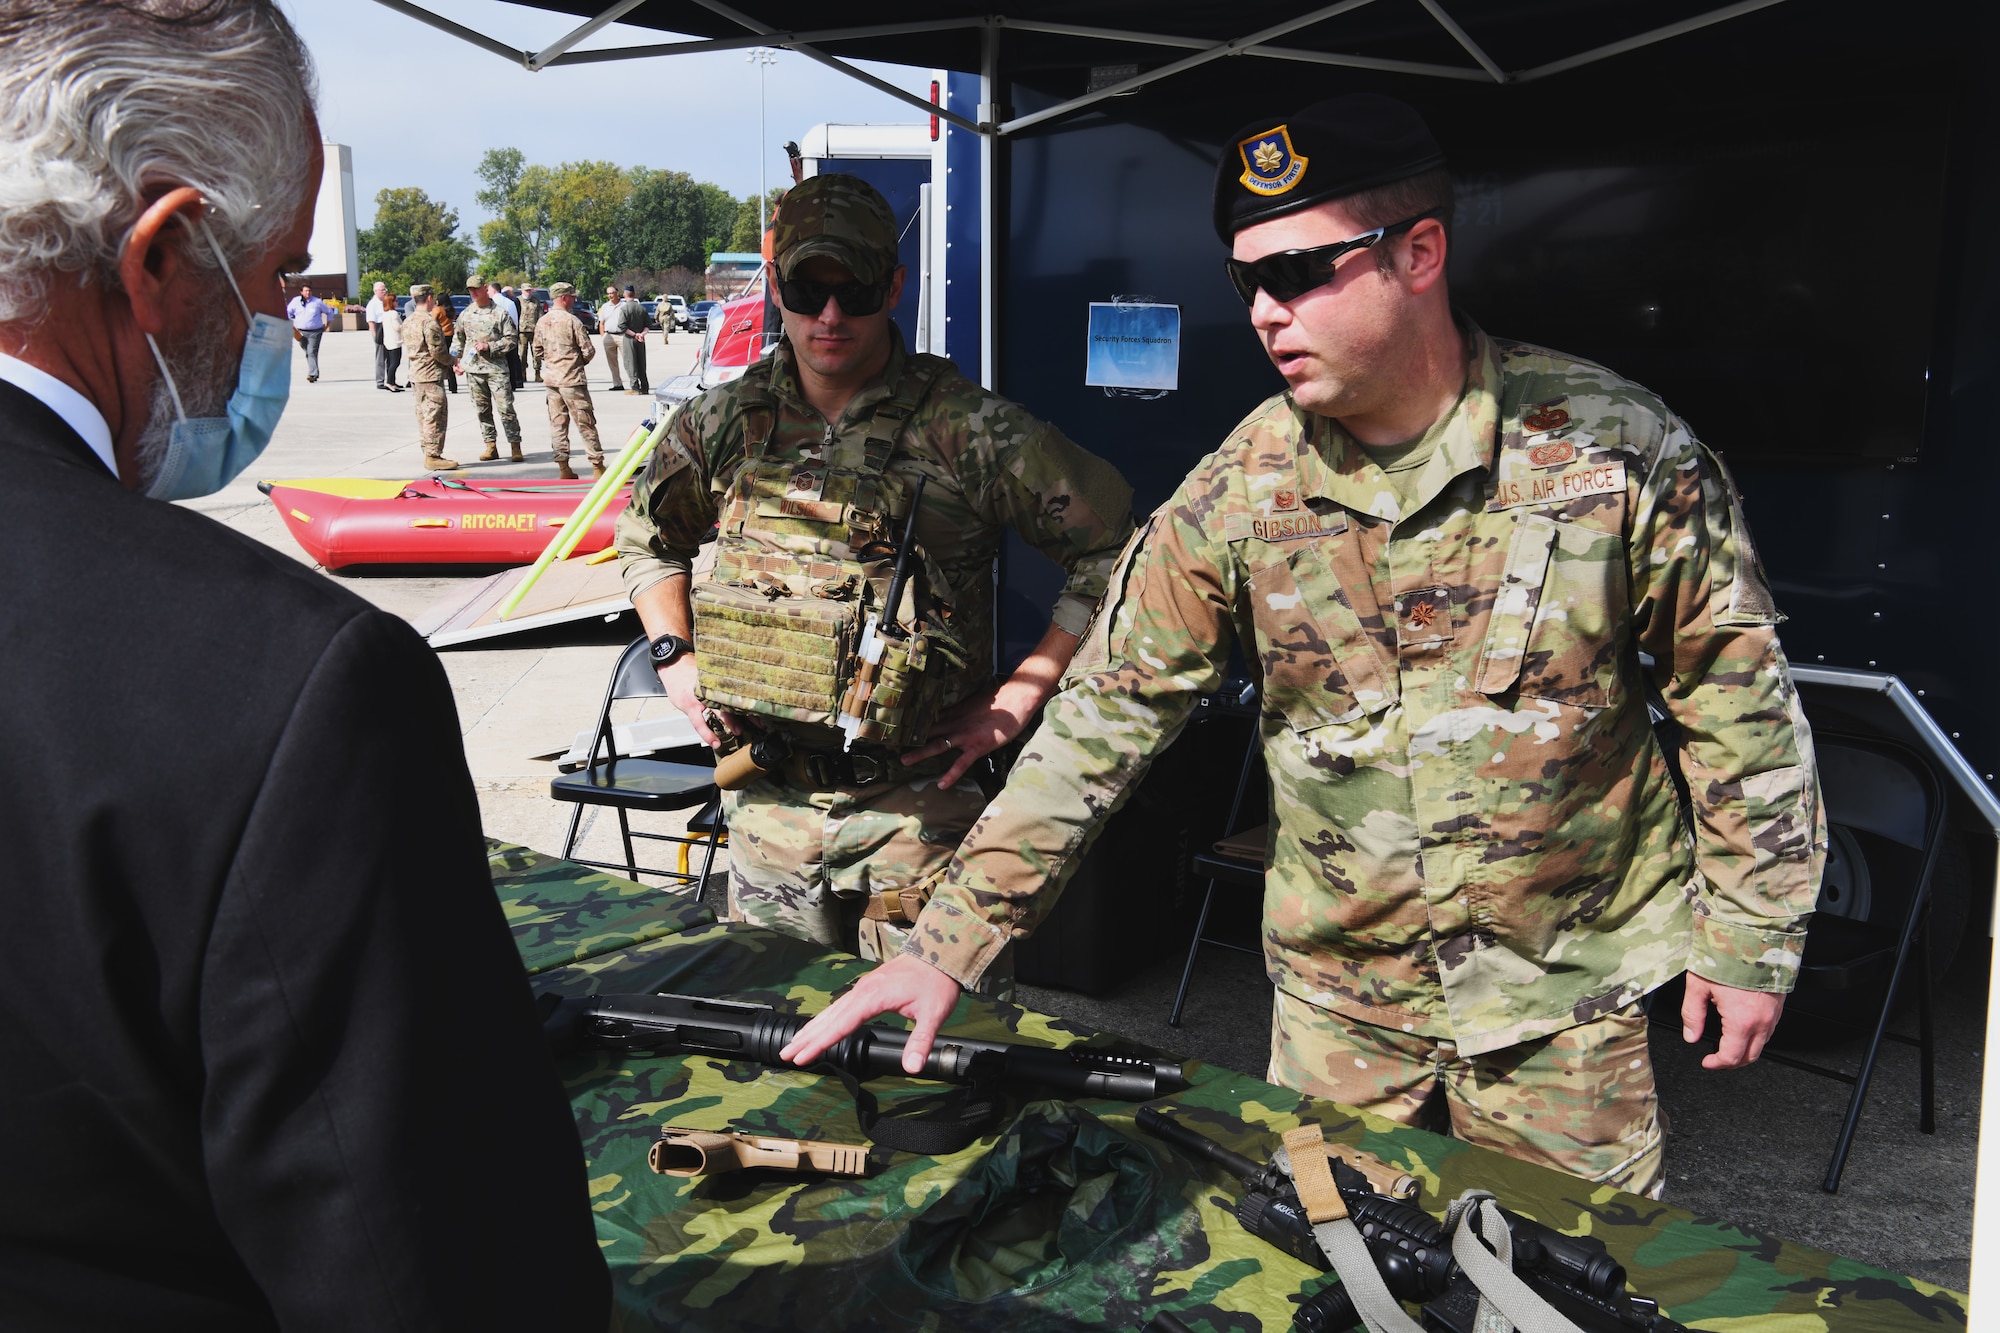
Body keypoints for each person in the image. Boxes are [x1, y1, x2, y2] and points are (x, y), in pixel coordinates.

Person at [781, 96, 1827, 1199]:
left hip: (1559, 1002)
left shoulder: (1609, 451)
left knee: (1564, 1287)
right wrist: (942, 945)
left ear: (1418, 251)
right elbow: (1102, 721)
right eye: (1247, 281)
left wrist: (1749, 936)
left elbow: (1734, 697)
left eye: (1297, 273)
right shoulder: (1244, 487)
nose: (1264, 313)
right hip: (1340, 1011)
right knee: (1336, 1274)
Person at [0, 2, 609, 1327]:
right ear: (161, 257)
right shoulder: (291, 687)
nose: (279, 316)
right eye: (277, 275)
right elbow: (443, 1275)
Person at [614, 173, 1135, 989]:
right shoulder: (722, 421)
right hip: (767, 810)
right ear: (775, 281)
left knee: (926, 1081)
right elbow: (646, 538)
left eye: (853, 289)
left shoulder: (969, 428)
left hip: (916, 815)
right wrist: (677, 660)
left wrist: (1021, 694)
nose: (830, 316)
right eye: (806, 288)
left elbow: (1117, 550)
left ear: (893, 286)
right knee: (776, 1053)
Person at [533, 281, 604, 479]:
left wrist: (553, 362)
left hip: (552, 382)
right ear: (564, 297)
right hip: (572, 381)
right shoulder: (572, 321)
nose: (574, 299)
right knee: (586, 423)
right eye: (572, 296)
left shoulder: (542, 322)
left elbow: (537, 351)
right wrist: (574, 363)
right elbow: (588, 351)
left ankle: (563, 468)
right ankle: (597, 466)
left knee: (557, 425)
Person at [449, 276, 523, 463]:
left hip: (496, 369)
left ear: (485, 288)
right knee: (482, 410)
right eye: (470, 290)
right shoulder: (466, 314)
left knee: (505, 407)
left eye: (476, 289)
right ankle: (490, 445)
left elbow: (512, 339)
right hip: (474, 370)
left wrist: (490, 347)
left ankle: (515, 444)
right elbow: (458, 339)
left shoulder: (500, 313)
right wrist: (455, 360)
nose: (473, 292)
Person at [402, 284, 456, 469]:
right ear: (430, 298)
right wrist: (452, 361)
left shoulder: (408, 321)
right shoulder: (429, 322)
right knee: (435, 415)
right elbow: (437, 351)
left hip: (416, 374)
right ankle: (433, 456)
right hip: (431, 374)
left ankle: (427, 450)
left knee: (423, 415)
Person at [285, 281, 332, 382]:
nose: (308, 293)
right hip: (300, 332)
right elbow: (287, 312)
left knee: (311, 351)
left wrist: (327, 325)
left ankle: (312, 374)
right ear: (301, 292)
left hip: (315, 332)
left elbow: (329, 311)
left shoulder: (317, 302)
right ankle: (314, 372)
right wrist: (290, 324)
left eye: (309, 291)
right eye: (306, 291)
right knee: (308, 352)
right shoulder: (296, 301)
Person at [617, 283, 649, 395]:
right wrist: (641, 334)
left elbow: (622, 326)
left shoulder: (624, 309)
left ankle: (635, 387)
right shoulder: (642, 308)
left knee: (631, 363)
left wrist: (634, 334)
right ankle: (644, 386)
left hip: (629, 338)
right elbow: (647, 325)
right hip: (641, 339)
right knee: (641, 362)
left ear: (625, 294)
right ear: (634, 294)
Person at [495, 284, 525, 389]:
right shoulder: (511, 302)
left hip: (500, 334)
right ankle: (515, 382)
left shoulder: (494, 302)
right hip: (511, 333)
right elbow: (515, 319)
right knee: (513, 358)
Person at [365, 278, 393, 389]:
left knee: (391, 357)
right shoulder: (372, 304)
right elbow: (371, 321)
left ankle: (391, 380)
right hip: (379, 330)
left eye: (384, 289)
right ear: (375, 291)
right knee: (380, 358)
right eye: (381, 290)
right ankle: (380, 381)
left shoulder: (385, 302)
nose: (384, 291)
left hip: (388, 331)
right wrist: (375, 336)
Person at [599, 284, 625, 391]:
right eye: (608, 293)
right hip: (609, 335)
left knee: (628, 360)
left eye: (612, 293)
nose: (610, 295)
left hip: (622, 335)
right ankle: (617, 383)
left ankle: (634, 383)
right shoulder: (605, 307)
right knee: (612, 362)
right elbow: (601, 323)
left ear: (617, 293)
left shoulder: (624, 305)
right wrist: (603, 336)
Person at [432, 288, 459, 393]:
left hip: (441, 336)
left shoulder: (438, 310)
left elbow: (432, 321)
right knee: (450, 360)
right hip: (450, 335)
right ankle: (453, 385)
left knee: (440, 360)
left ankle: (439, 383)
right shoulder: (451, 309)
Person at [377, 291, 405, 392]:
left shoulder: (385, 314)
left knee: (390, 363)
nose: (397, 303)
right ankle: (389, 382)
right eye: (395, 301)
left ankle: (392, 381)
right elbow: (397, 327)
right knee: (395, 362)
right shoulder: (393, 314)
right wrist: (405, 326)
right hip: (395, 341)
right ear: (391, 302)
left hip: (387, 341)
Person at [520, 284, 544, 383]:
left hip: (534, 330)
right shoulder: (518, 301)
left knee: (536, 352)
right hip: (522, 330)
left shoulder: (535, 301)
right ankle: (522, 373)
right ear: (522, 291)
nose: (528, 292)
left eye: (529, 290)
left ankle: (537, 373)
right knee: (522, 353)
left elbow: (540, 315)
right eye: (526, 290)